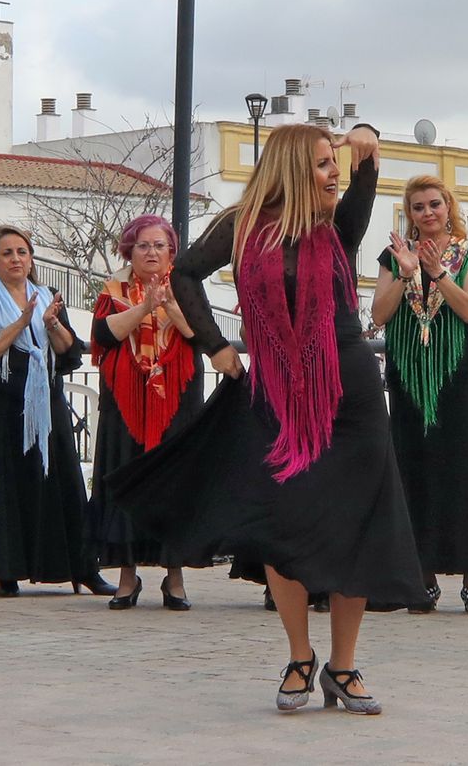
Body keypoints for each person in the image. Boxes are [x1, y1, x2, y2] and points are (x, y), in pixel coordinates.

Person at [109, 122, 422, 715]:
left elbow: (367, 161)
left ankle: (344, 665)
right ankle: (301, 656)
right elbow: (183, 275)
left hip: (347, 389)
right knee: (282, 520)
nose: (335, 173)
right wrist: (217, 347)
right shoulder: (243, 224)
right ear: (293, 166)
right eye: (325, 164)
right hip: (277, 392)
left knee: (357, 520)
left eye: (336, 163)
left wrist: (363, 142)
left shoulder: (339, 224)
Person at [0, 226, 116, 598]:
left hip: (46, 401)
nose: (15, 259)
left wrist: (50, 323)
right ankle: (7, 570)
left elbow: (71, 352)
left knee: (64, 482)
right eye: (7, 253)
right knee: (5, 484)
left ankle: (81, 569)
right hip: (2, 405)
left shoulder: (48, 298)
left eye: (22, 252)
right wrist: (20, 322)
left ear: (31, 259)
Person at [371, 175, 468, 615]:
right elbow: (379, 314)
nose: (428, 213)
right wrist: (406, 274)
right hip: (407, 375)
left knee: (461, 466)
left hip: (454, 375)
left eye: (434, 204)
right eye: (419, 207)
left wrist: (437, 272)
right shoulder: (394, 254)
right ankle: (419, 576)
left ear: (448, 206)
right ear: (410, 214)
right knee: (412, 465)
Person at [86, 215, 204, 610]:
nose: (151, 252)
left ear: (171, 251)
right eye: (142, 246)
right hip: (126, 401)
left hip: (176, 399)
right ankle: (127, 575)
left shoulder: (185, 287)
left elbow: (197, 335)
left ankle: (174, 577)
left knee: (172, 481)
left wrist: (169, 306)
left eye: (159, 245)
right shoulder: (114, 289)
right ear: (129, 252)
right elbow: (103, 335)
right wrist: (144, 308)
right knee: (126, 475)